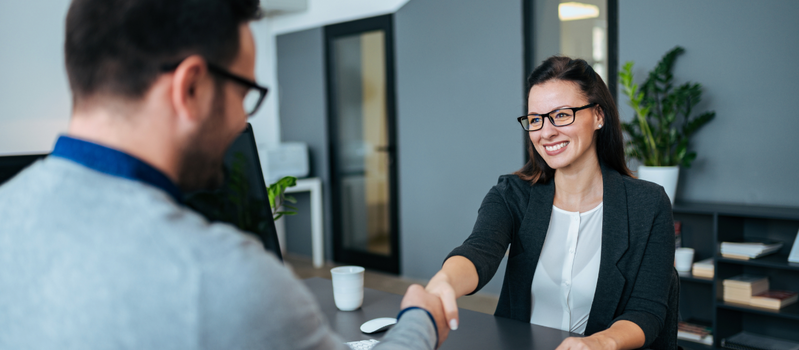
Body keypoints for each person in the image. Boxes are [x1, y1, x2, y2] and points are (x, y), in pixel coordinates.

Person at [0, 0, 449, 349]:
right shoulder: (218, 278)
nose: (242, 121)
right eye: (244, 93)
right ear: (191, 87)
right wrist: (420, 320)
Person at [425, 57, 677, 350]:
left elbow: (647, 311)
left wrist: (599, 343)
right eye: (535, 119)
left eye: (561, 115)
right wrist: (445, 281)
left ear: (598, 115)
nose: (545, 132)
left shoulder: (647, 204)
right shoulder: (512, 194)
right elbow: (479, 251)